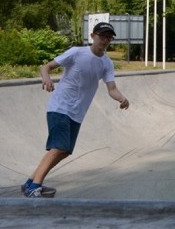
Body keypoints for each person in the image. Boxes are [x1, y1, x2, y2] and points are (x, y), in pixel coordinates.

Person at [22, 22, 130, 198]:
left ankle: (30, 183)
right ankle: (35, 186)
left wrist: (122, 99)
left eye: (108, 38)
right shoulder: (76, 52)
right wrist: (47, 79)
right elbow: (46, 67)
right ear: (93, 36)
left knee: (64, 151)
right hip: (60, 107)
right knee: (58, 147)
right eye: (102, 36)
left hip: (77, 113)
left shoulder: (107, 63)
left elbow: (112, 88)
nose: (105, 40)